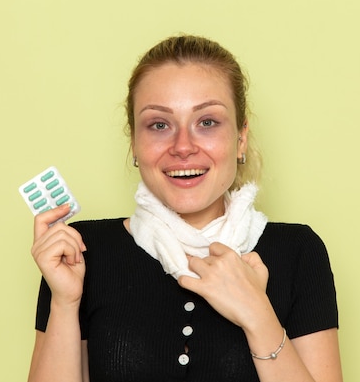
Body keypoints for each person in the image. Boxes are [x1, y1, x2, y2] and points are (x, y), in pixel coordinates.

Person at [28, 35, 343, 382]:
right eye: (159, 125)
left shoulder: (298, 252)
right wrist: (65, 301)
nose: (182, 147)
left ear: (240, 139)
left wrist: (257, 314)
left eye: (207, 122)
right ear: (134, 142)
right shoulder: (80, 252)